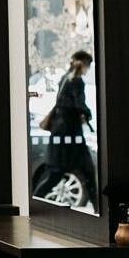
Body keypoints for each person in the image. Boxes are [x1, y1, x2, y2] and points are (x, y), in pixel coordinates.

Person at [33, 50, 94, 200]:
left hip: (61, 133)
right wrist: (88, 113)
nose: (89, 69)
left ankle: (37, 200)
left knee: (56, 173)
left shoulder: (64, 79)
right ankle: (100, 209)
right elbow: (79, 104)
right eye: (89, 65)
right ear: (84, 64)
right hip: (71, 134)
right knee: (87, 173)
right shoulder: (77, 81)